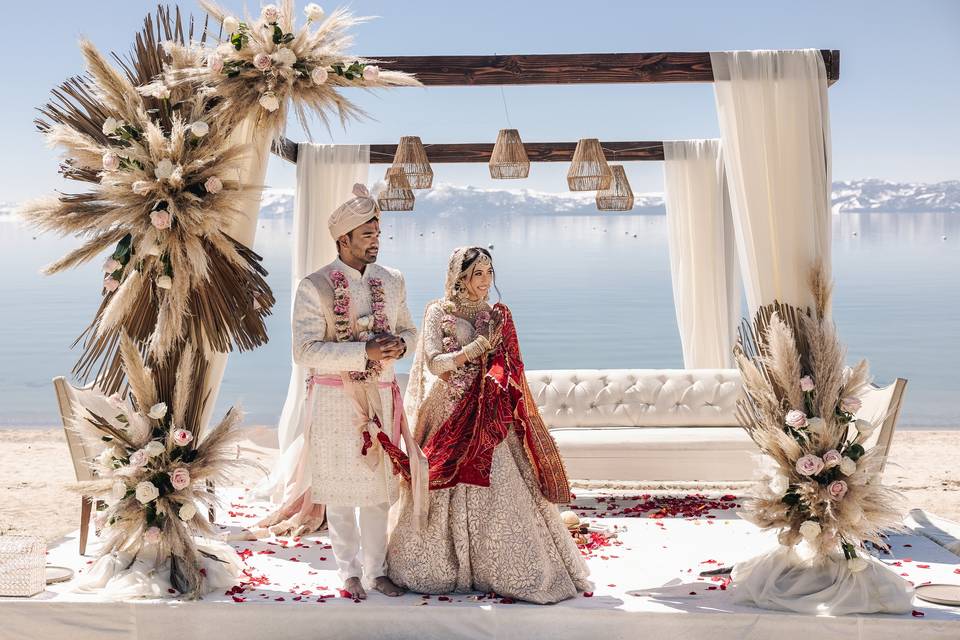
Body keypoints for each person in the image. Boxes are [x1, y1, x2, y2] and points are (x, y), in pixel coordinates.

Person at [385, 246, 591, 604]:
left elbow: (510, 361)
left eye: (489, 273)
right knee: (442, 482)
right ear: (460, 277)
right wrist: (474, 349)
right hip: (449, 411)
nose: (485, 281)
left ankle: (501, 567)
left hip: (490, 415)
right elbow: (434, 364)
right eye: (477, 273)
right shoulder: (438, 312)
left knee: (504, 485)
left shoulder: (496, 315)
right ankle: (446, 567)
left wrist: (495, 372)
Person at [278, 183, 416, 599]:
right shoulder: (315, 285)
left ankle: (377, 570)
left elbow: (409, 328)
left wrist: (401, 345)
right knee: (339, 493)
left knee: (377, 492)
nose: (377, 241)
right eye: (368, 234)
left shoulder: (392, 281)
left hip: (382, 396)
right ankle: (348, 572)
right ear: (344, 239)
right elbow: (304, 351)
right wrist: (364, 351)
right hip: (335, 401)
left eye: (378, 233)